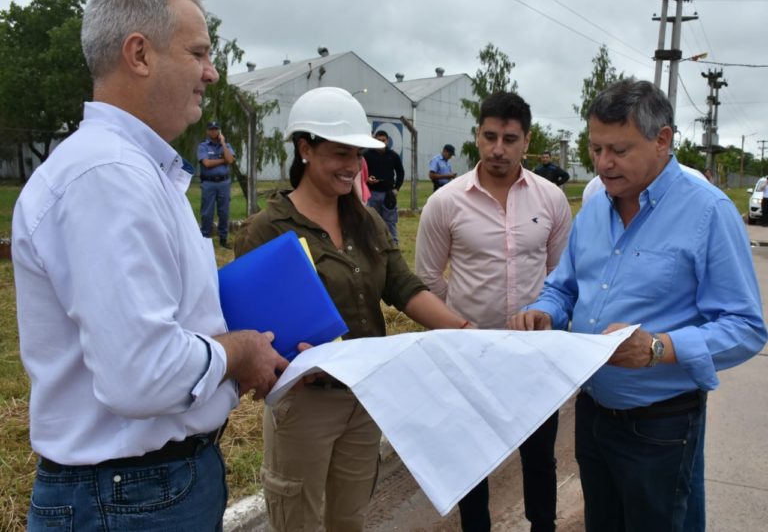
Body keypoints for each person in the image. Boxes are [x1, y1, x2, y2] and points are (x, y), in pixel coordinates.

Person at [12, 0, 289, 532]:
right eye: (198, 53)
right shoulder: (107, 176)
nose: (211, 72)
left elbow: (168, 324)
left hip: (139, 490)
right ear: (138, 53)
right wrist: (237, 353)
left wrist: (256, 349)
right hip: (128, 496)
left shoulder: (130, 171)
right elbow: (141, 373)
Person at [509, 78, 767, 532]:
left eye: (619, 150)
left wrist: (658, 349)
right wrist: (544, 310)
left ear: (662, 140)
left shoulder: (708, 212)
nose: (603, 164)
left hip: (661, 428)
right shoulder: (593, 210)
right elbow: (564, 286)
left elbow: (745, 327)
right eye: (595, 149)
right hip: (592, 417)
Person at [235, 86, 470, 532]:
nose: (352, 167)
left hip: (363, 397)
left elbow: (401, 286)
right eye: (340, 153)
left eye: (357, 156)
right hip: (305, 404)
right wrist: (292, 360)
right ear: (304, 148)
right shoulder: (267, 232)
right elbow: (253, 332)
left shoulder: (365, 221)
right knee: (298, 520)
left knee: (350, 519)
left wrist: (463, 329)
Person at [416, 92, 572, 532]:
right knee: (470, 457)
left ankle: (544, 524)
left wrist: (545, 317)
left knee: (539, 453)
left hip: (534, 353)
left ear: (526, 141)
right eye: (489, 137)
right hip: (469, 351)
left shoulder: (551, 200)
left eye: (509, 138)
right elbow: (427, 278)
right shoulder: (446, 202)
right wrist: (461, 321)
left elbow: (561, 277)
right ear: (477, 138)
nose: (498, 149)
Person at [198, 120, 235, 248]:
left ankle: (223, 239)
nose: (214, 131)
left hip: (223, 183)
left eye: (216, 129)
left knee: (224, 212)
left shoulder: (226, 146)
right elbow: (206, 164)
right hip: (209, 183)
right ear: (208, 131)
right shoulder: (203, 146)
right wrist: (222, 160)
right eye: (211, 129)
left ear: (219, 131)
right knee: (207, 213)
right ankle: (204, 239)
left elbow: (230, 160)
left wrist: (223, 143)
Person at [364, 129, 404, 244]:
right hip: (372, 193)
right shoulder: (367, 155)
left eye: (383, 140)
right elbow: (360, 172)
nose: (381, 142)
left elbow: (400, 172)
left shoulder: (393, 156)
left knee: (390, 221)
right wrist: (367, 180)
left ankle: (393, 243)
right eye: (378, 140)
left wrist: (397, 188)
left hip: (388, 194)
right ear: (374, 140)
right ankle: (374, 243)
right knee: (372, 220)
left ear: (387, 141)